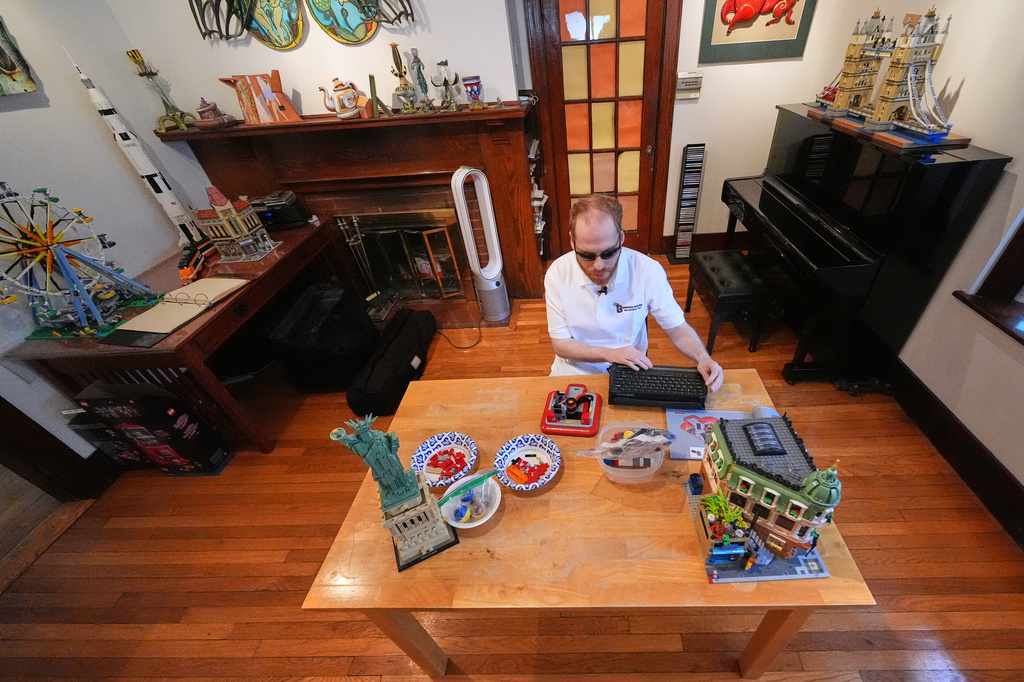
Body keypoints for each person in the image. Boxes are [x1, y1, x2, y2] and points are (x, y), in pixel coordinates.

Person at [544, 194, 724, 391]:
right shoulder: (557, 273)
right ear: (572, 241)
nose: (599, 265)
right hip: (572, 373)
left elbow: (677, 328)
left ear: (621, 237)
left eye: (609, 253)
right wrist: (608, 353)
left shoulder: (647, 270)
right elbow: (560, 344)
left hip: (628, 372)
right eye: (587, 255)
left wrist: (702, 357)